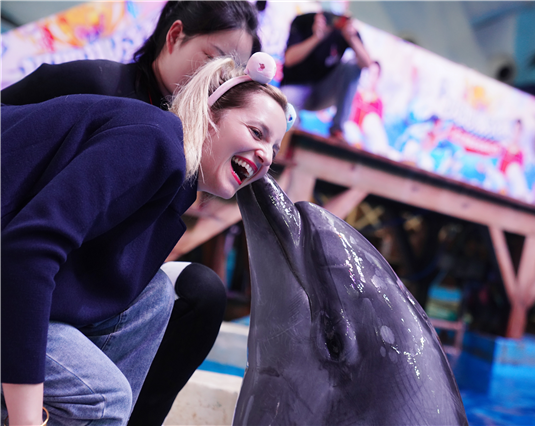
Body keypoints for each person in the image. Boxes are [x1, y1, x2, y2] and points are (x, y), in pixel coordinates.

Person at [1, 2, 261, 424]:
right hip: (20, 262)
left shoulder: (184, 157)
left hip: (56, 269)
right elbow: (28, 242)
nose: (227, 79)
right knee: (104, 395)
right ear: (174, 36)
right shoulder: (125, 110)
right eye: (218, 62)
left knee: (172, 295)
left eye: (239, 73)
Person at [280, 10, 372, 140]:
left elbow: (367, 64)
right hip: (295, 88)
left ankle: (337, 130)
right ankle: (293, 134)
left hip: (323, 91)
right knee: (285, 106)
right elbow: (289, 59)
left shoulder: (345, 29)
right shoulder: (304, 21)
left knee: (352, 66)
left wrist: (352, 38)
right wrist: (316, 37)